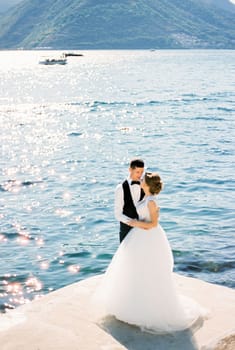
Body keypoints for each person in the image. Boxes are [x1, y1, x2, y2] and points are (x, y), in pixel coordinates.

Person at [94, 172, 205, 333]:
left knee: (148, 270)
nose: (140, 180)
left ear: (147, 184)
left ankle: (149, 307)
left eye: (143, 179)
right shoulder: (145, 197)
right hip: (139, 235)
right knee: (136, 269)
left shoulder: (151, 201)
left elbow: (153, 224)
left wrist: (135, 223)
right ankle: (134, 301)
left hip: (149, 236)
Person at [115, 158, 145, 243]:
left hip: (143, 230)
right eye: (137, 172)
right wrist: (132, 222)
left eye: (142, 172)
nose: (140, 175)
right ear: (130, 170)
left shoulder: (145, 185)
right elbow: (118, 214)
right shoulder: (120, 188)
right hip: (126, 230)